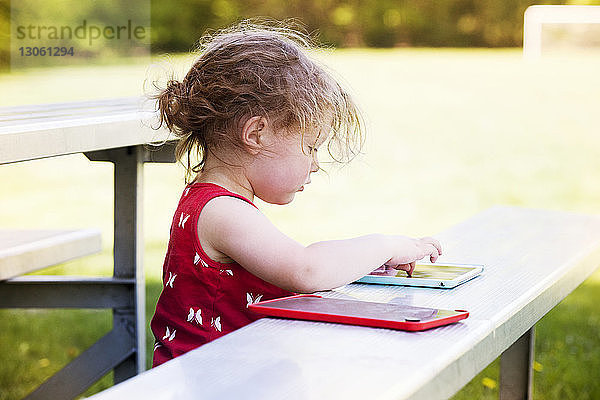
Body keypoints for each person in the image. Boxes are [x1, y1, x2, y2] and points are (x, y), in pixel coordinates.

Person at [150, 20, 442, 367]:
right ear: (256, 133)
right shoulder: (222, 212)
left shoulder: (211, 200)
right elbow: (306, 271)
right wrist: (386, 244)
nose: (316, 165)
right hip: (208, 383)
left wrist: (364, 265)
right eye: (310, 147)